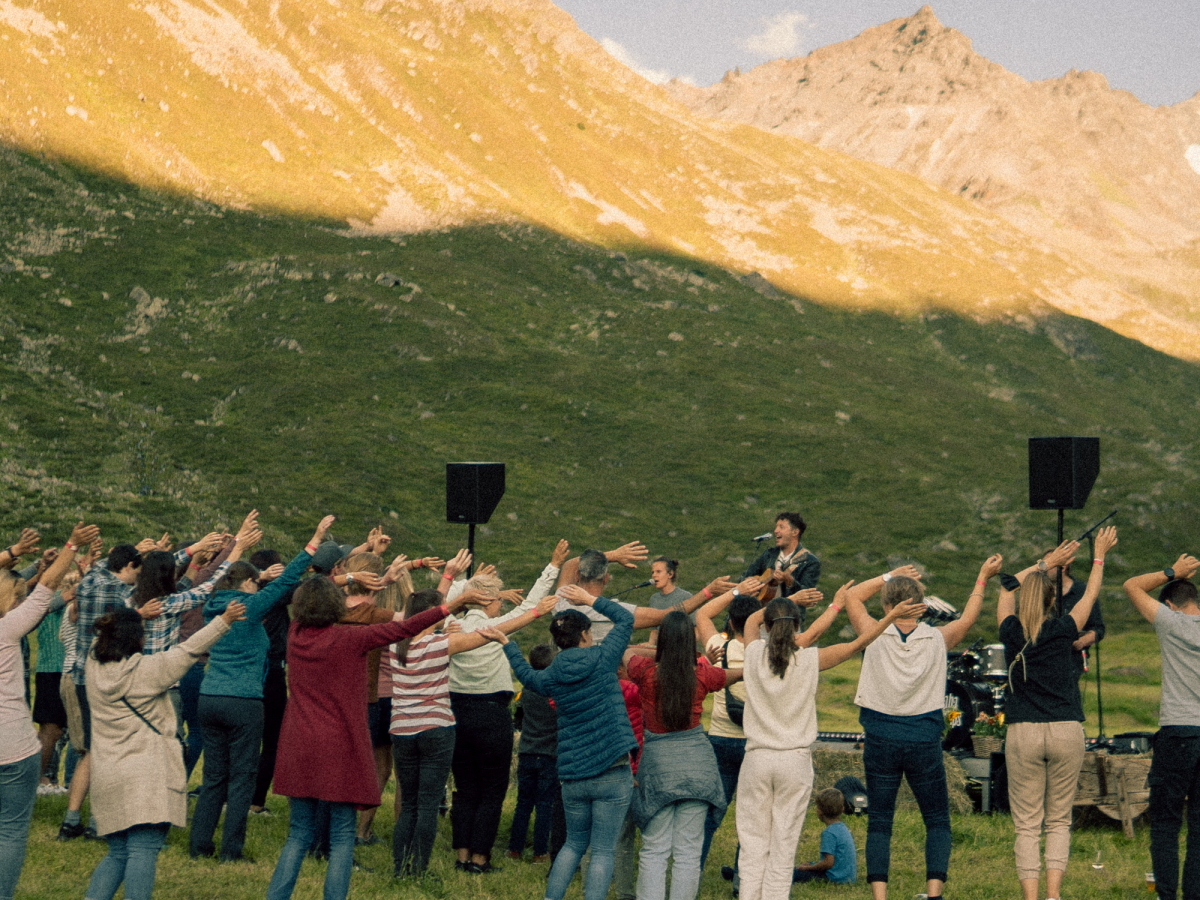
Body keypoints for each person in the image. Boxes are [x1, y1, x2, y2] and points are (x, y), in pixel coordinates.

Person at [265, 572, 485, 900]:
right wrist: (452, 604)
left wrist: (340, 578)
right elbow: (406, 628)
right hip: (339, 747)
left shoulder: (295, 634)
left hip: (299, 744)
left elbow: (298, 592)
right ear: (333, 606)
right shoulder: (351, 638)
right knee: (341, 837)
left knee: (298, 834)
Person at [737, 589, 923, 900]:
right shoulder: (810, 659)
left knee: (753, 845)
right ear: (798, 626)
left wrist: (788, 600)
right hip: (794, 762)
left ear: (767, 627)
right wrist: (888, 616)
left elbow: (752, 619)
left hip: (757, 759)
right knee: (784, 847)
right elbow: (858, 643)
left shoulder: (753, 653)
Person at [842, 557, 1001, 900]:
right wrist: (982, 577)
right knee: (937, 820)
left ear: (886, 605)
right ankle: (933, 894)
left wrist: (889, 574)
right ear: (921, 606)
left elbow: (852, 597)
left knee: (880, 821)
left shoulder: (873, 634)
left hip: (881, 738)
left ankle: (880, 896)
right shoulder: (937, 638)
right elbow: (970, 616)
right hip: (923, 741)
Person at [479, 585, 640, 900]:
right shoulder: (605, 658)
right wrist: (591, 599)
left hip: (572, 774)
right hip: (612, 769)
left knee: (573, 844)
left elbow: (526, 675)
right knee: (603, 850)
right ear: (584, 636)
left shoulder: (550, 676)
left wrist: (507, 642)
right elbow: (625, 620)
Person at [84, 595, 246, 900]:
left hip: (108, 773)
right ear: (136, 639)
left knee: (118, 852)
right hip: (146, 775)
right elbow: (190, 649)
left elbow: (109, 633)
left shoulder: (93, 665)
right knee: (143, 849)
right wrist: (223, 621)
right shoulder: (148, 672)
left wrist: (135, 615)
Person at [390, 586, 555, 876]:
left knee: (413, 804)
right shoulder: (440, 645)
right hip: (436, 728)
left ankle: (401, 869)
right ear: (432, 617)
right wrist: (535, 612)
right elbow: (489, 632)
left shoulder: (394, 645)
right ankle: (423, 869)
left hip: (402, 730)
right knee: (431, 806)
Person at [190, 513, 322, 862]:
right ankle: (231, 850)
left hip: (210, 695)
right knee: (243, 777)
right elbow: (284, 584)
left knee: (214, 776)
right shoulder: (247, 607)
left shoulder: (212, 608)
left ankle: (200, 844)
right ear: (249, 583)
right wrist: (314, 541)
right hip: (243, 700)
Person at [998, 528, 1116, 900]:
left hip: (1024, 732)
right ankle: (1053, 896)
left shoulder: (1011, 630)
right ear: (1054, 599)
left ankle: (1031, 898)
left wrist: (1044, 564)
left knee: (1028, 825)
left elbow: (1003, 587)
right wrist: (1098, 556)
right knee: (1059, 820)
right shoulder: (1066, 628)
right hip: (1065, 728)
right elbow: (1091, 593)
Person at [445, 542, 566, 872]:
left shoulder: (449, 627)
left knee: (465, 787)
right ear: (487, 601)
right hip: (492, 713)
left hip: (456, 713)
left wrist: (459, 582)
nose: (502, 603)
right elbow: (529, 605)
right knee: (492, 788)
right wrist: (552, 566)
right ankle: (481, 858)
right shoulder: (496, 626)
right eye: (498, 598)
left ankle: (462, 855)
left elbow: (441, 599)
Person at [1, 523, 94, 900]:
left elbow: (43, 589)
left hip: (17, 747)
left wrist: (11, 554)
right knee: (10, 830)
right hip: (15, 747)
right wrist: (72, 544)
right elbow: (47, 588)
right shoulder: (8, 629)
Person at [624, 609, 739, 900]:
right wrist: (694, 654)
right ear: (691, 642)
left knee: (654, 849)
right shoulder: (704, 675)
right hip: (698, 767)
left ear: (662, 641)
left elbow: (625, 650)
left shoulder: (644, 671)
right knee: (688, 852)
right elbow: (738, 673)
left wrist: (659, 650)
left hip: (658, 768)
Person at [1123, 553, 1200, 900]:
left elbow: (1131, 585)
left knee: (1167, 823)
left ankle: (1166, 896)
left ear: (1170, 604)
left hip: (1177, 732)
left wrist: (1173, 570)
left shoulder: (1170, 622)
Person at [507, 643, 559, 862]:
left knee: (523, 803)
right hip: (550, 754)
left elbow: (518, 718)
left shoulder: (525, 692)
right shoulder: (555, 691)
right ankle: (540, 852)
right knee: (545, 805)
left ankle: (515, 849)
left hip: (527, 751)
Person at [741, 513, 820, 598]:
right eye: (776, 527)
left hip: (789, 610)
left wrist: (791, 582)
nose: (775, 531)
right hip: (761, 608)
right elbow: (744, 577)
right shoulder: (769, 554)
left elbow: (807, 595)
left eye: (781, 527)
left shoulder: (810, 561)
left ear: (795, 532)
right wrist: (750, 582)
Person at [792, 788, 856, 884]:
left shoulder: (829, 833)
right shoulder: (843, 828)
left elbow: (828, 863)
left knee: (793, 873)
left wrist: (809, 868)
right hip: (847, 877)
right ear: (842, 809)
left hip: (834, 878)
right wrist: (812, 864)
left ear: (819, 811)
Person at [648, 557, 692, 644]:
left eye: (658, 572)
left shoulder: (685, 597)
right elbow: (654, 630)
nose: (654, 575)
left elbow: (695, 628)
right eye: (653, 572)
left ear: (670, 574)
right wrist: (649, 645)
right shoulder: (654, 599)